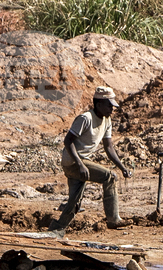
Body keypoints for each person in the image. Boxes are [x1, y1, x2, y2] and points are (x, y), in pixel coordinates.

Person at [50, 86, 132, 231]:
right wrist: (80, 164)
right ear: (99, 104)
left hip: (82, 162)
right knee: (109, 177)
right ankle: (113, 219)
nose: (112, 109)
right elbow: (68, 141)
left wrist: (122, 167)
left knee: (75, 201)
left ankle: (57, 229)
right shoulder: (85, 118)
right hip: (72, 162)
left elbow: (109, 147)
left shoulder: (107, 121)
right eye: (109, 106)